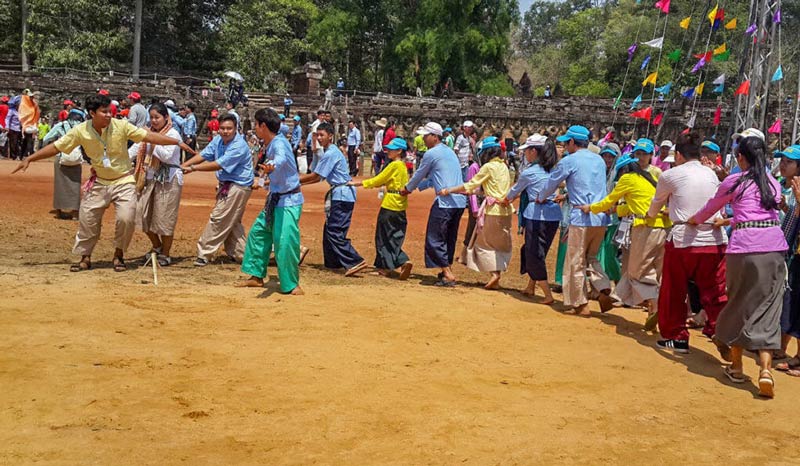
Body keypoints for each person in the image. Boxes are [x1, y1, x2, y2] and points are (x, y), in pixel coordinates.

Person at [12, 94, 194, 272]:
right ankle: (85, 257)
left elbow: (149, 137)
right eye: (104, 111)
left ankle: (119, 254)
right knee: (87, 218)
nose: (109, 115)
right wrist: (31, 158)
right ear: (92, 113)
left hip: (124, 181)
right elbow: (57, 146)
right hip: (99, 181)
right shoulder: (80, 131)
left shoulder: (121, 126)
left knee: (126, 218)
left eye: (110, 111)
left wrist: (176, 142)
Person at [690, 136, 787, 398]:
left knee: (737, 304)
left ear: (741, 158)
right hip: (774, 247)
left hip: (744, 247)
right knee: (768, 308)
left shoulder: (734, 181)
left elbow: (712, 207)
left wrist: (694, 220)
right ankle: (765, 370)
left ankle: (736, 366)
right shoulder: (773, 183)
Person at [647, 132, 728, 354]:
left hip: (683, 240)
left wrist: (650, 216)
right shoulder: (712, 174)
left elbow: (656, 203)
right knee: (715, 291)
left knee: (674, 290)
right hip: (714, 238)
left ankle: (677, 338)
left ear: (679, 155)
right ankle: (721, 332)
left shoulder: (670, 175)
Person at [580, 154, 671, 327]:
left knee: (636, 271)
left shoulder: (628, 178)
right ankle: (620, 299)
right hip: (665, 228)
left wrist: (591, 208)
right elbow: (634, 204)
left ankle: (655, 303)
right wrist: (616, 211)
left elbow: (608, 200)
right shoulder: (650, 178)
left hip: (646, 228)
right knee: (654, 270)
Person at [538, 125, 614, 316]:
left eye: (566, 143)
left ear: (572, 142)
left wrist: (541, 196)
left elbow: (551, 183)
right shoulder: (598, 159)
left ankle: (581, 304)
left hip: (581, 217)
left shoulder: (569, 161)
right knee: (591, 257)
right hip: (601, 216)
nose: (565, 146)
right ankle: (603, 286)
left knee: (575, 261)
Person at [237, 108, 304, 295]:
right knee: (259, 233)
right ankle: (256, 276)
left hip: (288, 201)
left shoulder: (279, 144)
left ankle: (292, 285)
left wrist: (270, 167)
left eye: (256, 124)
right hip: (275, 199)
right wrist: (263, 180)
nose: (255, 128)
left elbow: (280, 160)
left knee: (285, 242)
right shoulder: (272, 143)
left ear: (262, 126)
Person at [182, 114, 254, 266]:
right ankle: (244, 254)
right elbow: (203, 155)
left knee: (219, 218)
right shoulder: (218, 141)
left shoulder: (239, 146)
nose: (225, 131)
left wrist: (192, 168)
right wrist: (185, 165)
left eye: (229, 128)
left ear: (236, 129)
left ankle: (204, 252)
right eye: (222, 128)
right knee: (232, 223)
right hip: (226, 184)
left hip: (238, 186)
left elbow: (219, 164)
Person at [441, 137, 512, 289]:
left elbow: (470, 185)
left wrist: (450, 190)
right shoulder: (504, 167)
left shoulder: (488, 167)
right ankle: (496, 277)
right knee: (498, 244)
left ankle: (494, 274)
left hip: (492, 211)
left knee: (483, 244)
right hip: (505, 211)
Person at [299, 122, 367, 276]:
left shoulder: (331, 153)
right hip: (340, 194)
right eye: (317, 135)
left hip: (342, 195)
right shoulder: (328, 152)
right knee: (329, 229)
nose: (319, 138)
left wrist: (295, 183)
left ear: (330, 136)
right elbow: (316, 175)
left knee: (335, 230)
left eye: (322, 135)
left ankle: (354, 261)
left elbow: (317, 176)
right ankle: (333, 262)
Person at [402, 122, 466, 287]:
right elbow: (434, 177)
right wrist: (420, 187)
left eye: (425, 135)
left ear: (434, 137)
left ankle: (447, 272)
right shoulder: (449, 152)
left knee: (435, 236)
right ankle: (446, 271)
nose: (423, 138)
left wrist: (408, 188)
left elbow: (418, 174)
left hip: (445, 202)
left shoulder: (431, 153)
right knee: (448, 237)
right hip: (458, 202)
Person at [505, 134, 561, 302]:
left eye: (526, 151)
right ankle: (531, 286)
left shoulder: (529, 173)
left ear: (534, 151)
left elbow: (513, 192)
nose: (524, 154)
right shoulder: (553, 170)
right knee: (537, 251)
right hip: (553, 216)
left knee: (533, 253)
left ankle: (547, 294)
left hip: (536, 215)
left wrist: (504, 200)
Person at [348, 137, 414, 280]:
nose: (388, 151)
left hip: (389, 204)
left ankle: (389, 266)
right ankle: (400, 261)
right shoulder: (403, 167)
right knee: (395, 235)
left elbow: (379, 180)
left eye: (391, 149)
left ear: (399, 151)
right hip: (400, 206)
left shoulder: (394, 165)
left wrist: (357, 184)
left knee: (383, 237)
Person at [128, 103, 184, 266]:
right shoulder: (148, 135)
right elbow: (132, 152)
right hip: (150, 179)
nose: (154, 121)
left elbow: (166, 156)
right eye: (151, 117)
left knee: (164, 218)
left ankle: (165, 254)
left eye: (157, 117)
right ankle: (157, 246)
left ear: (166, 117)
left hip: (169, 180)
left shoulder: (173, 135)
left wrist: (152, 141)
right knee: (142, 214)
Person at [775, 145, 800, 373]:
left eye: (788, 161)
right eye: (781, 160)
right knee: (790, 302)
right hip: (793, 253)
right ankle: (782, 348)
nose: (782, 165)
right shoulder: (789, 188)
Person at [43, 109, 85, 220]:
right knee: (75, 185)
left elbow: (46, 138)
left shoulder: (60, 126)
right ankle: (75, 212)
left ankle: (59, 211)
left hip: (61, 157)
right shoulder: (82, 126)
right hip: (76, 158)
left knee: (60, 185)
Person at [5, 95, 22, 160]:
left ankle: (17, 155)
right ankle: (14, 156)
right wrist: (7, 127)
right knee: (13, 142)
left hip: (18, 129)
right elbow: (7, 119)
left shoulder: (20, 111)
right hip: (12, 128)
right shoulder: (11, 110)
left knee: (18, 142)